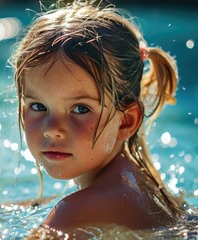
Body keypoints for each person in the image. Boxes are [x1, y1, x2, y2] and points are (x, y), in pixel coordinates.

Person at [10, 0, 188, 236]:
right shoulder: (139, 184)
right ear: (23, 112)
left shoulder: (73, 213)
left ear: (126, 121)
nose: (52, 129)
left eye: (81, 109)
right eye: (39, 106)